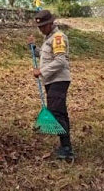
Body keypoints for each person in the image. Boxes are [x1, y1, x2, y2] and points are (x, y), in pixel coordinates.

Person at [28, 10, 75, 160]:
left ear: (50, 24)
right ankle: (65, 145)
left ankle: (67, 148)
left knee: (55, 111)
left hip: (59, 79)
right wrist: (33, 48)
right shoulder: (49, 38)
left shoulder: (58, 37)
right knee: (60, 112)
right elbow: (45, 56)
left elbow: (61, 61)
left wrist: (40, 71)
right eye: (39, 27)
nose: (40, 29)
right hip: (51, 80)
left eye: (43, 26)